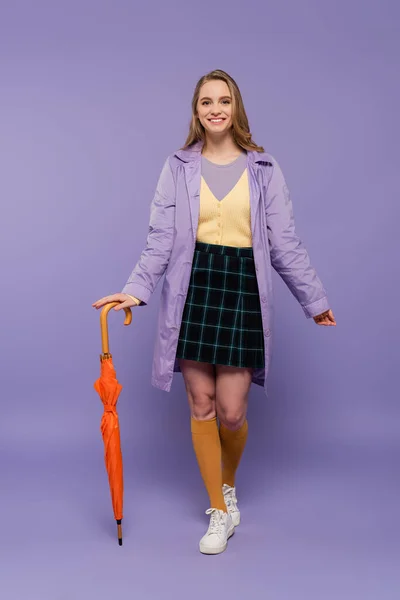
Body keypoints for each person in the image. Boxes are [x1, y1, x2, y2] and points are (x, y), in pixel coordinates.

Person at [92, 69, 336, 555]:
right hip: (194, 289)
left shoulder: (264, 167)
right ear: (196, 110)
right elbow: (160, 240)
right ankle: (219, 513)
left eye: (224, 100)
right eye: (206, 102)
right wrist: (134, 292)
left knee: (231, 411)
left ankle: (226, 484)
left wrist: (315, 301)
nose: (215, 109)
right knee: (200, 403)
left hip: (243, 288)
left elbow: (284, 242)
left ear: (236, 107)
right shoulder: (178, 165)